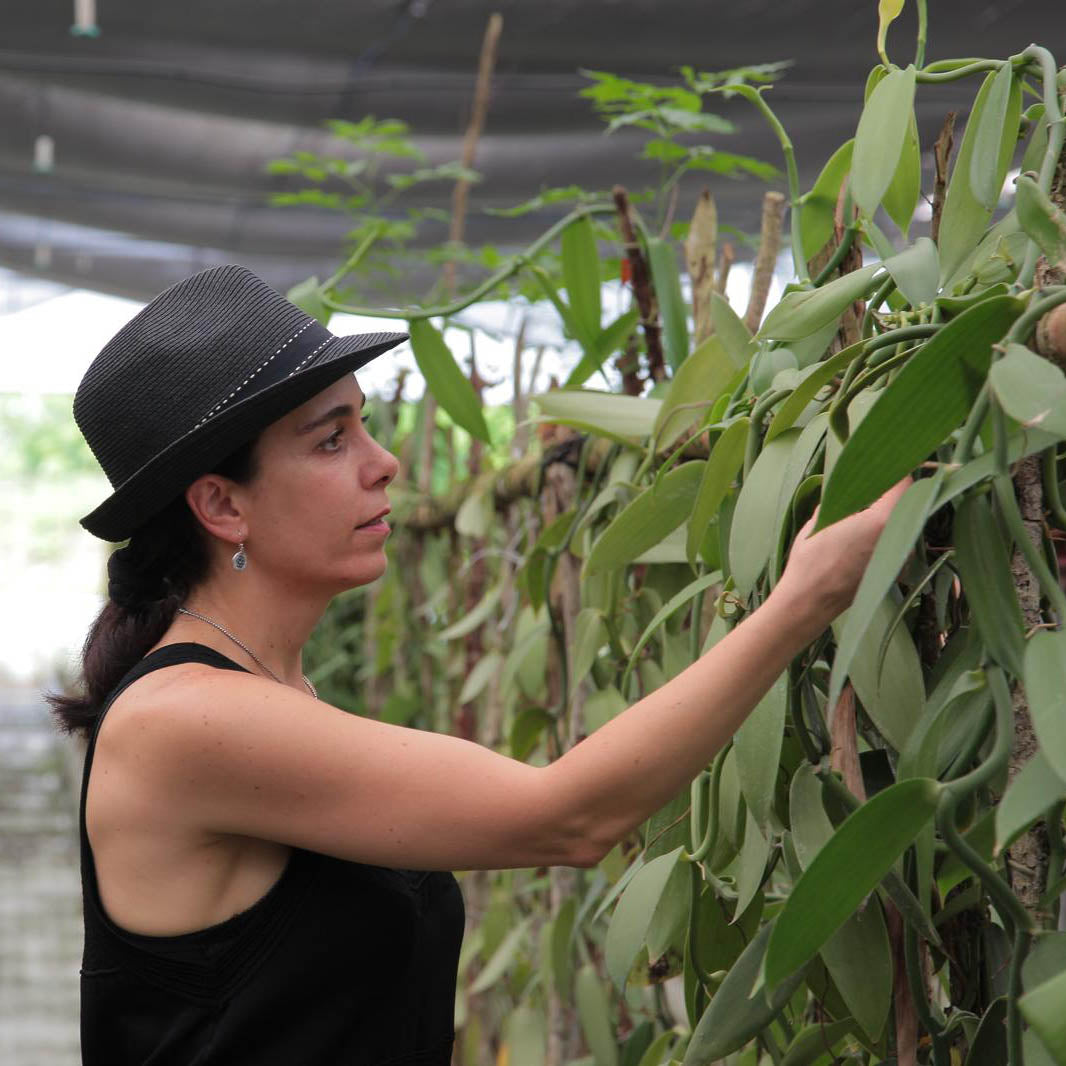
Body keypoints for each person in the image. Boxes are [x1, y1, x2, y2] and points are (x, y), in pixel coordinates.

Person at [51, 263, 911, 1066]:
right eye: (330, 441)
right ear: (221, 504)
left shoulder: (263, 693)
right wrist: (804, 601)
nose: (383, 463)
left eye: (367, 425)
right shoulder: (189, 721)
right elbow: (568, 817)